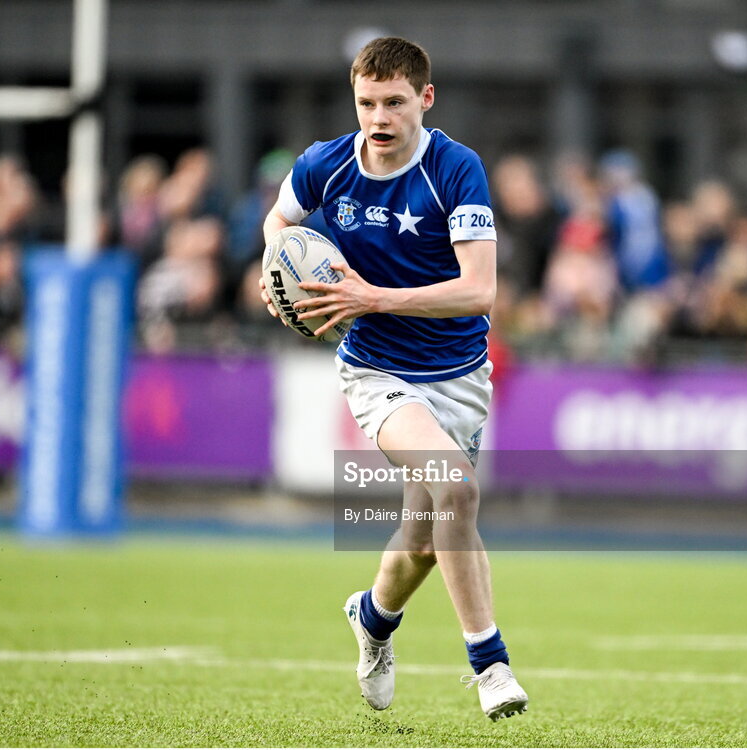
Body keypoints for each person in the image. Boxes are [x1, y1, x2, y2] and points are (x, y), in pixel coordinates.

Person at [257, 37, 528, 721]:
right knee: (457, 490)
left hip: (460, 376)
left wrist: (372, 295)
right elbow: (279, 219)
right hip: (377, 369)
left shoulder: (454, 168)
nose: (379, 117)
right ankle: (489, 664)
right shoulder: (326, 163)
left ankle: (373, 619)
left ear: (424, 100)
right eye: (367, 102)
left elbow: (480, 290)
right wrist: (275, 270)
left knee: (424, 542)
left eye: (395, 102)